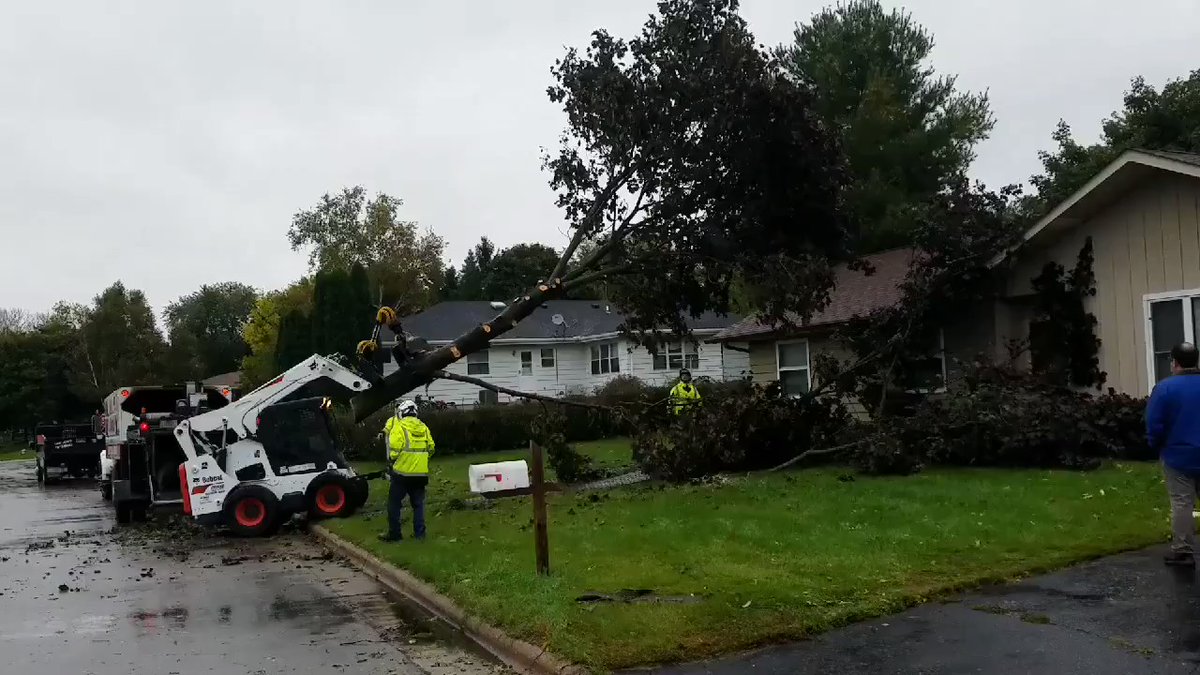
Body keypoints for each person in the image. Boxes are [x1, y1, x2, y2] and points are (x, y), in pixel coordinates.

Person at [1147, 342, 1200, 567]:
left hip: (1178, 454)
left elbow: (1154, 422)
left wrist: (1155, 445)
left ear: (1174, 362)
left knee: (1182, 502)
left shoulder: (1165, 388)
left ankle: (1183, 550)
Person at [378, 400, 435, 542]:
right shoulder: (424, 427)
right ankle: (420, 535)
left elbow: (394, 451)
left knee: (394, 505)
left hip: (402, 474)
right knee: (418, 505)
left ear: (401, 413)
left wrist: (393, 461)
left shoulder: (399, 427)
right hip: (420, 475)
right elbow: (431, 448)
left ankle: (395, 535)